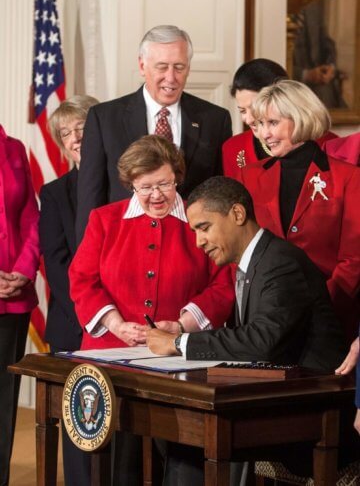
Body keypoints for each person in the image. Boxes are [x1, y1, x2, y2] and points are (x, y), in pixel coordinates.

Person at [147, 176, 346, 485]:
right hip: (276, 399)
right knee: (177, 432)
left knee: (190, 438)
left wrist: (179, 343)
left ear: (237, 215)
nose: (199, 242)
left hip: (312, 412)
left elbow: (262, 341)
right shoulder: (253, 263)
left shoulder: (279, 262)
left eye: (204, 228)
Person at [69, 135, 234, 484]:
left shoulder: (200, 221)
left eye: (164, 183)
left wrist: (182, 324)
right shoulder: (104, 220)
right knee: (124, 460)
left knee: (184, 455)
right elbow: (82, 279)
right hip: (111, 358)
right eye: (145, 187)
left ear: (178, 177)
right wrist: (115, 324)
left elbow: (223, 284)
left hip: (181, 357)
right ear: (131, 184)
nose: (156, 195)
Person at [76, 24, 232, 241]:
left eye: (179, 67)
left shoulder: (215, 120)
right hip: (124, 245)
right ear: (142, 66)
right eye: (162, 67)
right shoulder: (104, 118)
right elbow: (89, 199)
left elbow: (221, 195)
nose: (171, 77)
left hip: (191, 248)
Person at [236, 79, 360, 343]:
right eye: (259, 125)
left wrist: (318, 306)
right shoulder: (250, 176)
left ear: (300, 116)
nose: (263, 134)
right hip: (264, 323)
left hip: (328, 322)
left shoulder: (348, 177)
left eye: (273, 123)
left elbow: (353, 259)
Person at [39, 95, 98, 486]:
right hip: (73, 324)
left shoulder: (124, 185)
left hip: (123, 325)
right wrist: (93, 310)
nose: (75, 137)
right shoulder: (55, 192)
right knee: (81, 420)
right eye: (66, 133)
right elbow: (56, 262)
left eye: (82, 127)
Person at [0, 125, 40, 486]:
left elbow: (31, 216)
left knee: (3, 402)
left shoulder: (13, 149)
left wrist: (24, 271)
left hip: (13, 297)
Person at [222, 58, 336, 178]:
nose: (249, 119)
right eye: (242, 111)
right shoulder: (233, 148)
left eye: (255, 108)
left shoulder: (330, 144)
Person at [292, 0, 346, 108]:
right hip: (292, 84)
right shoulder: (277, 11)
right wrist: (305, 74)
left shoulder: (313, 8)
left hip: (319, 84)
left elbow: (327, 43)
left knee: (329, 94)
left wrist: (330, 67)